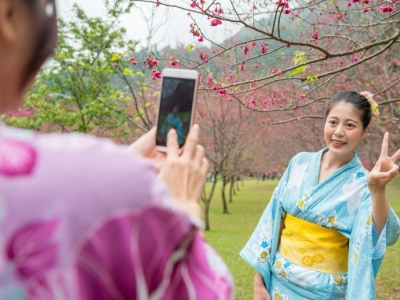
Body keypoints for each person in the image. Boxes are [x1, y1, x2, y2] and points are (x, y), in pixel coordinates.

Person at [0, 0, 233, 299]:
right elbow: (207, 289)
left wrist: (116, 168)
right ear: (8, 12)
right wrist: (183, 205)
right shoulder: (117, 184)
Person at [240, 91, 400, 300]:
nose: (339, 132)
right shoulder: (299, 163)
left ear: (365, 131)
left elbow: (382, 234)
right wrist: (259, 281)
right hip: (278, 284)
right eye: (333, 122)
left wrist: (377, 189)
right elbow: (272, 222)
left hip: (326, 292)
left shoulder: (364, 183)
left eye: (350, 125)